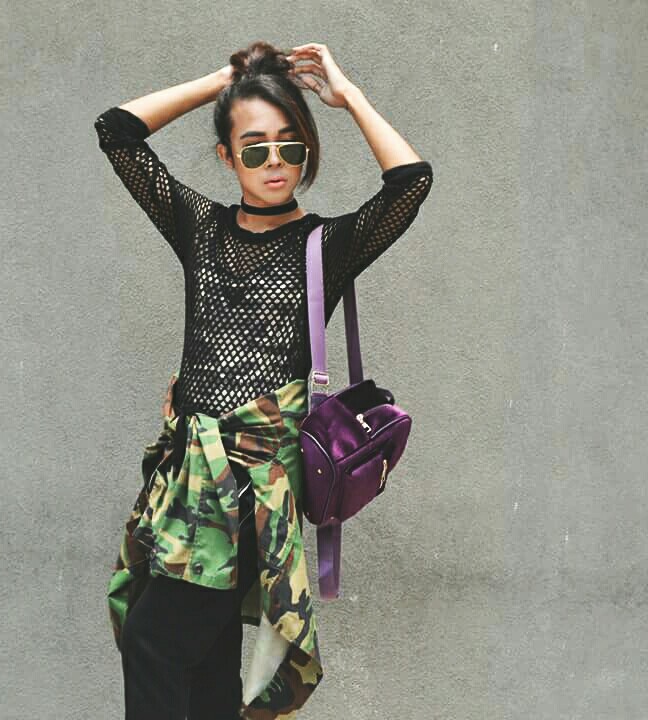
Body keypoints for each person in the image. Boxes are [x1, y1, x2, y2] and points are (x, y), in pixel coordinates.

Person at [94, 40, 433, 719]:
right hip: (182, 484)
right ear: (227, 157)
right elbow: (118, 132)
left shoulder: (325, 246)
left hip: (252, 496)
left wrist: (347, 96)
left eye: (289, 145)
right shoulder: (199, 228)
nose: (273, 161)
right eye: (253, 149)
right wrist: (224, 80)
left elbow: (410, 183)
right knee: (206, 666)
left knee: (155, 642)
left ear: (306, 152)